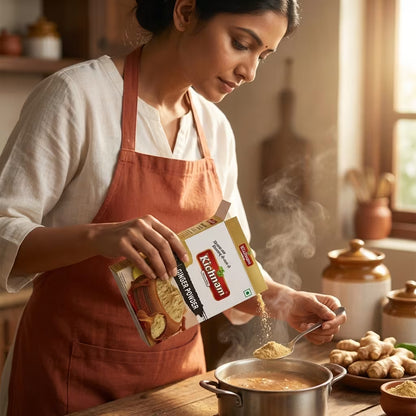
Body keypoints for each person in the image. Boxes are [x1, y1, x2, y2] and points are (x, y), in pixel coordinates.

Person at [0, 0, 346, 414]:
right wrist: (99, 236)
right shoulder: (76, 97)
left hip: (179, 381)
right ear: (184, 13)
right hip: (73, 373)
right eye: (240, 43)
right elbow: (4, 229)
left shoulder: (214, 128)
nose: (249, 72)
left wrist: (284, 299)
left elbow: (226, 265)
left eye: (262, 56)